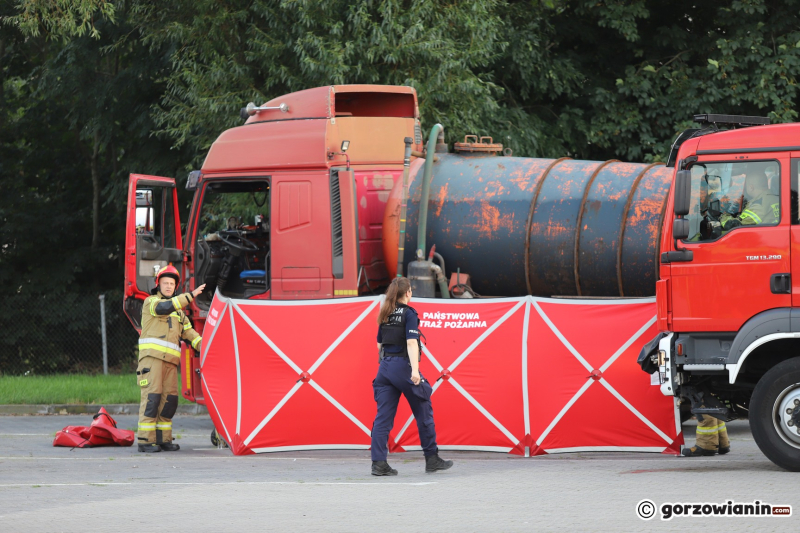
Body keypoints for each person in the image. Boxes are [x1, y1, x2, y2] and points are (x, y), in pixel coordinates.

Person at [370, 277, 453, 476]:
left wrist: (387, 367)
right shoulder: (409, 314)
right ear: (408, 293)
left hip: (385, 368)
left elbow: (379, 346)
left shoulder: (386, 313)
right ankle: (431, 459)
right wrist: (415, 371)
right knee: (423, 408)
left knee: (382, 418)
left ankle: (378, 464)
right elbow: (411, 343)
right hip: (403, 366)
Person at [137, 265, 205, 453]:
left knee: (169, 401)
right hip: (152, 361)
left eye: (172, 284)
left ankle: (163, 439)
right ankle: (145, 441)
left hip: (170, 364)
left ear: (175, 287)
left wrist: (206, 347)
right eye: (165, 283)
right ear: (158, 285)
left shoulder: (179, 314)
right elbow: (166, 306)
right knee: (152, 399)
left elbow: (190, 333)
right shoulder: (151, 302)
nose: (168, 286)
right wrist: (190, 296)